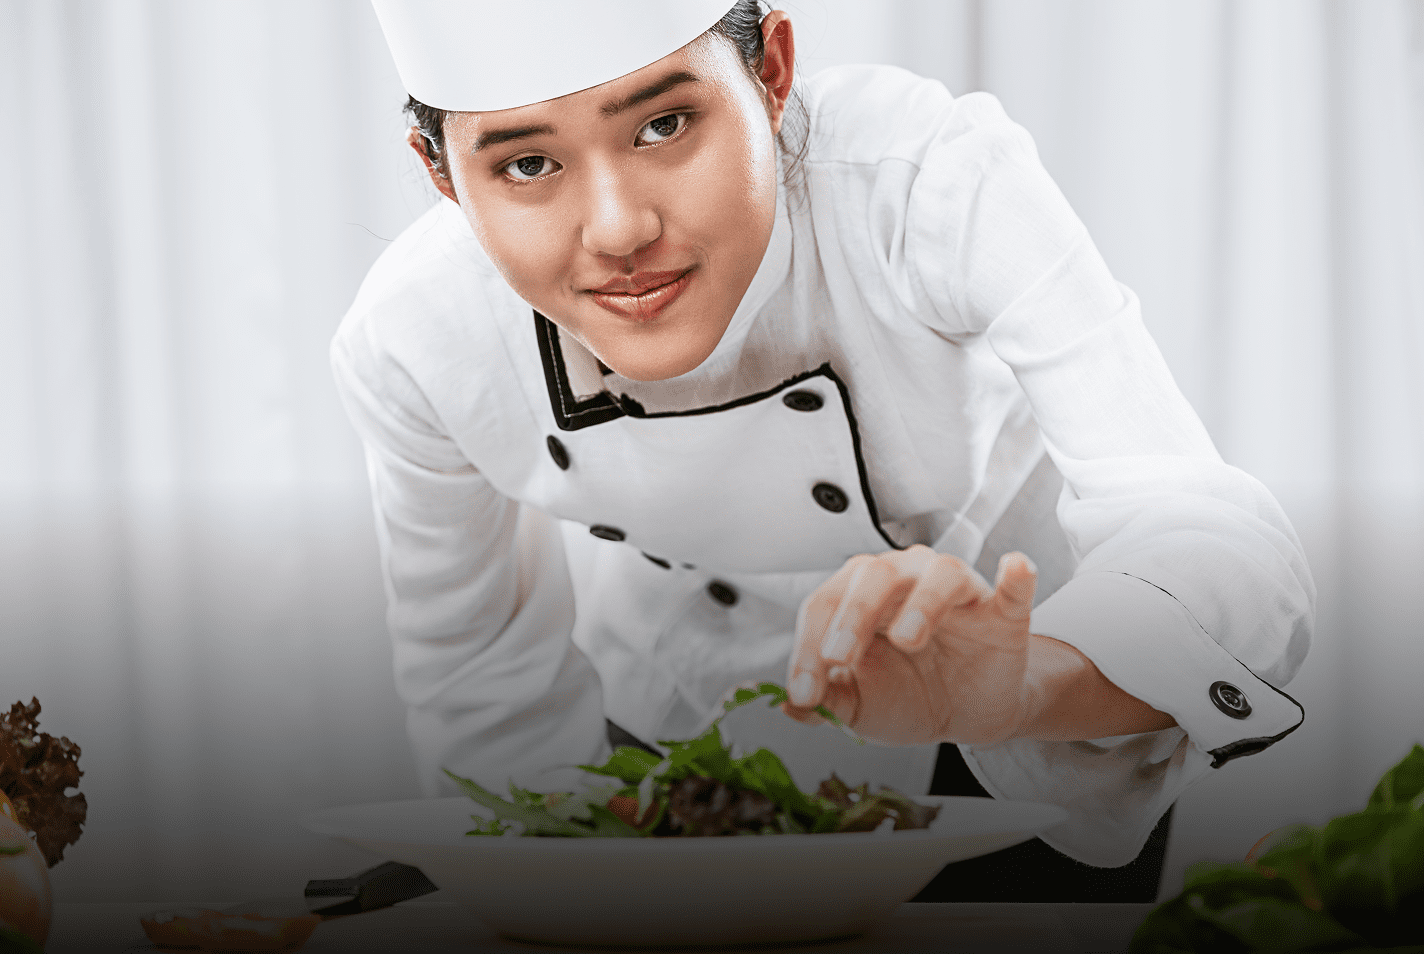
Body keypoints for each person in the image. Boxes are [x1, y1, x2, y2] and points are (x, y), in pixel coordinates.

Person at [334, 0, 1314, 900]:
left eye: (664, 125)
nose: (620, 228)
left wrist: (1018, 684)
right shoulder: (417, 338)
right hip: (682, 728)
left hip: (1026, 737)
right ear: (439, 176)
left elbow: (1208, 540)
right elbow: (478, 681)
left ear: (771, 76)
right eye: (527, 165)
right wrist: (541, 886)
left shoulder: (923, 180)